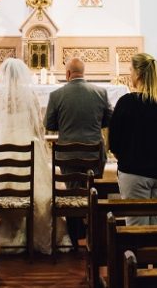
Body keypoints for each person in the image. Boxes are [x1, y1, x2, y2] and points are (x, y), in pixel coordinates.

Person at [0, 57, 66, 254]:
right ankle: (31, 235)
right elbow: (38, 125)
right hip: (28, 144)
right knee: (37, 193)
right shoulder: (30, 94)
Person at [108, 52, 157, 226]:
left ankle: (136, 254)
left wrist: (126, 159)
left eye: (131, 70)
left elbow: (115, 141)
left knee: (136, 225)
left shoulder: (126, 102)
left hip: (134, 171)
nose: (129, 74)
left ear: (138, 74)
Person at [44, 57, 112, 243]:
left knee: (72, 192)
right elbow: (108, 120)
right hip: (95, 153)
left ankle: (76, 235)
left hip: (68, 154)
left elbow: (49, 124)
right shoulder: (100, 92)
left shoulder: (56, 95)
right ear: (84, 72)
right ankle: (95, 233)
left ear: (67, 74)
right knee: (93, 188)